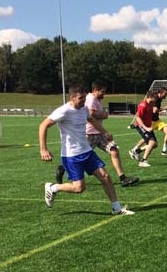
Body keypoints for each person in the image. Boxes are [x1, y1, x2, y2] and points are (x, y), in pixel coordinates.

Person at [39, 84, 134, 215]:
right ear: (72, 97)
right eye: (80, 98)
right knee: (79, 188)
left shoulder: (83, 109)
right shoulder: (63, 111)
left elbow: (92, 120)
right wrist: (43, 149)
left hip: (87, 151)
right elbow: (43, 125)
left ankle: (116, 208)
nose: (84, 101)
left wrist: (105, 132)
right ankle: (53, 187)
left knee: (105, 177)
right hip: (71, 155)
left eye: (84, 98)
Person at [78, 82, 139, 187]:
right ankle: (62, 168)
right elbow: (91, 114)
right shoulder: (91, 99)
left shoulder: (96, 100)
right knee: (80, 158)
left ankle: (123, 178)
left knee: (114, 151)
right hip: (89, 134)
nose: (104, 94)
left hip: (99, 134)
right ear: (96, 90)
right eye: (103, 91)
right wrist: (104, 115)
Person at [129, 87, 167, 159]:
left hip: (156, 120)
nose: (166, 95)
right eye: (165, 94)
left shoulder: (157, 99)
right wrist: (163, 109)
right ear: (161, 93)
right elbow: (154, 111)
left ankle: (164, 150)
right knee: (149, 140)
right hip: (150, 122)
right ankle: (137, 152)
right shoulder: (153, 100)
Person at [129, 91, 159, 167]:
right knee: (151, 143)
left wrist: (151, 125)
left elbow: (149, 115)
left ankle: (136, 151)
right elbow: (138, 118)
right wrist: (146, 128)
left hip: (148, 127)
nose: (156, 99)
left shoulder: (151, 104)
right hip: (141, 126)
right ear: (150, 97)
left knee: (155, 145)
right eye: (155, 98)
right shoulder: (143, 105)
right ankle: (143, 161)